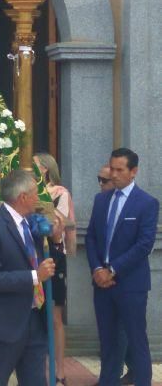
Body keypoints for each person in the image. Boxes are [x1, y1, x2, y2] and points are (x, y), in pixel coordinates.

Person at [0, 169, 63, 386]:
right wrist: (34, 276)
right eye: (35, 193)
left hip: (34, 318)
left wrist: (55, 239)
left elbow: (38, 259)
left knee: (35, 381)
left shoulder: (30, 223)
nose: (38, 198)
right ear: (23, 197)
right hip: (4, 322)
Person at [85, 148, 159, 386]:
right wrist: (97, 269)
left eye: (120, 170)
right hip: (102, 283)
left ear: (133, 171)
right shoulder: (101, 199)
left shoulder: (146, 203)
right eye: (112, 168)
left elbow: (144, 244)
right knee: (108, 342)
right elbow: (91, 238)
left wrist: (113, 269)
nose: (113, 175)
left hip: (130, 284)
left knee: (136, 341)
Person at [34, 152, 76, 386]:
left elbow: (60, 223)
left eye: (36, 166)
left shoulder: (60, 193)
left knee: (54, 315)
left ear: (46, 170)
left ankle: (59, 370)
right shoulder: (27, 194)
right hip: (33, 255)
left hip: (54, 253)